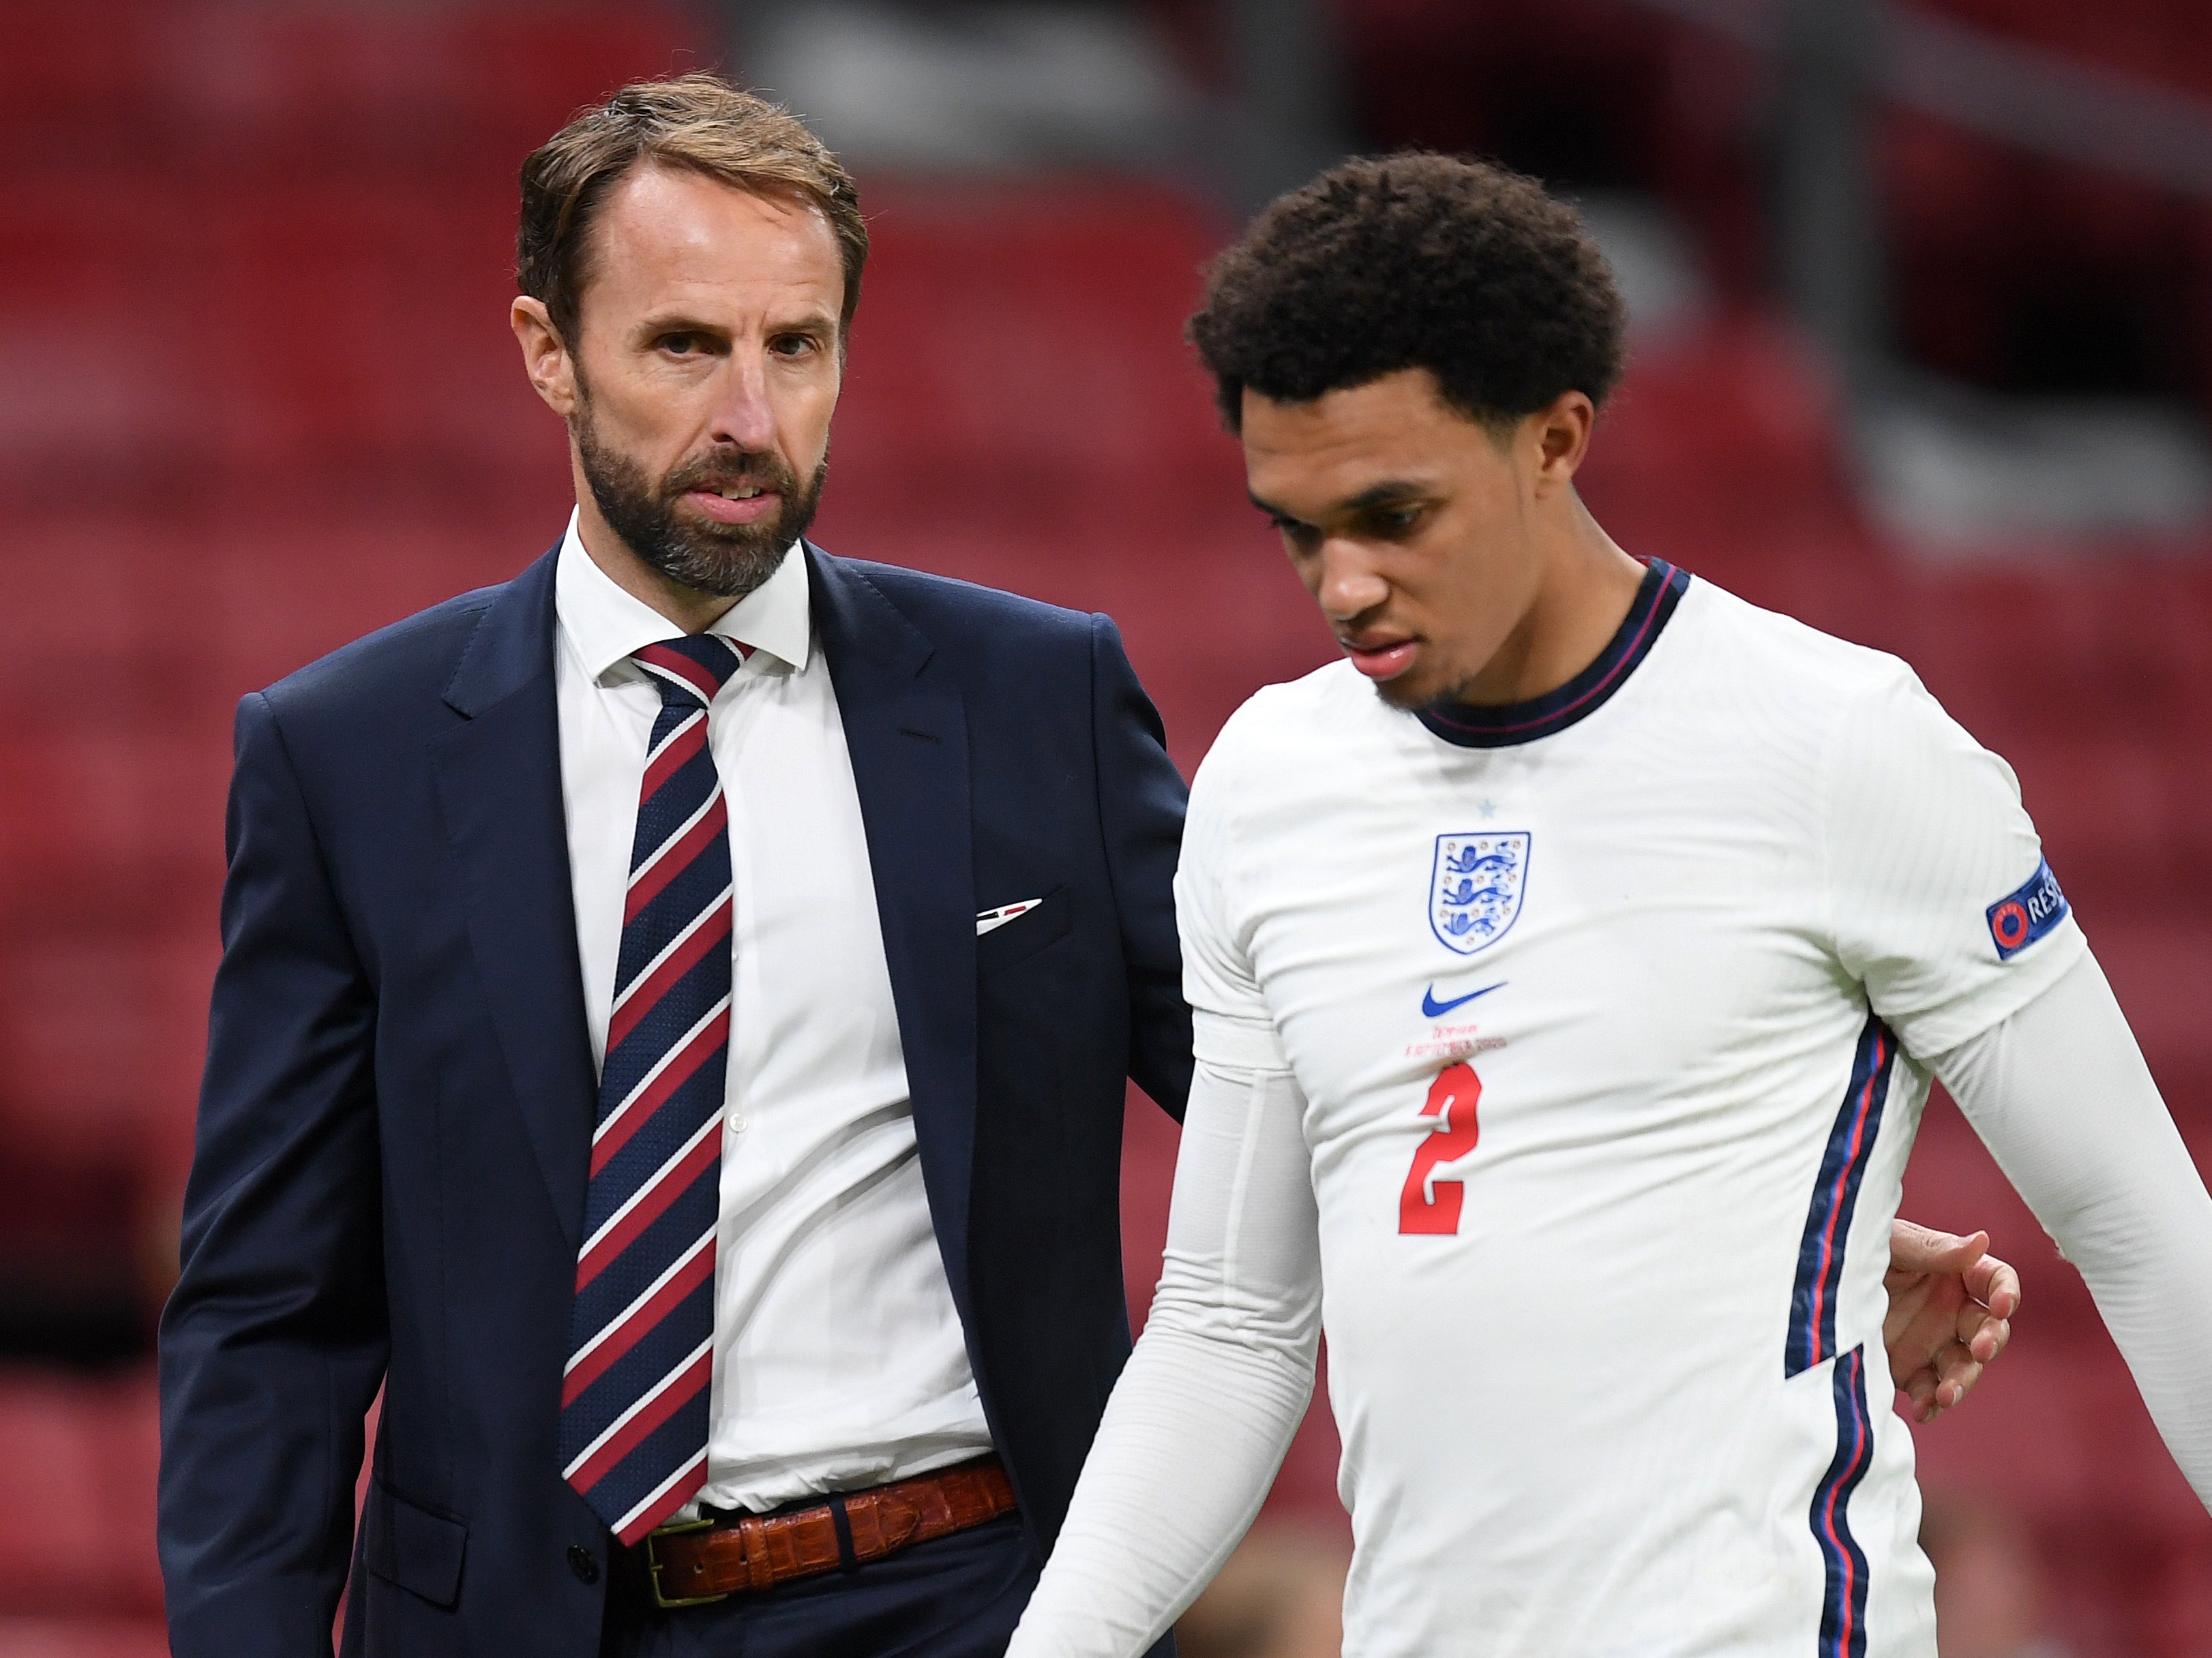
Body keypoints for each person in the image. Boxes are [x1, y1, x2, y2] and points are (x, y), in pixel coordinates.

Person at [154, 80, 2016, 1658]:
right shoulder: (348, 756)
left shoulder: (1031, 699)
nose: (748, 414)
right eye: (683, 347)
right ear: (547, 351)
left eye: (795, 347)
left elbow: (1327, 1091)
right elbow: (271, 1314)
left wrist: (1747, 1217)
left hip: (965, 1598)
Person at [1004, 156, 2212, 1658]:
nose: (1343, 581)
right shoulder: (1265, 782)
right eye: (1296, 526)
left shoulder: (1842, 744)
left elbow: (2138, 1230)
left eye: (1394, 512)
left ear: (1554, 440)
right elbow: (1231, 1327)